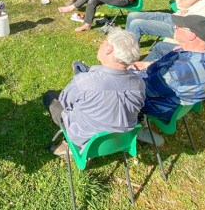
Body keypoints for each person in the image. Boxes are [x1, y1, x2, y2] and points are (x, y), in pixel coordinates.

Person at [43, 28, 145, 156]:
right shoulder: (139, 83)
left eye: (104, 41)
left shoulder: (85, 81)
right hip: (122, 139)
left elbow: (65, 102)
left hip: (85, 141)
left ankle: (68, 145)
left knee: (50, 96)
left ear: (109, 49)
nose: (101, 43)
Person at [129, 15, 205, 144]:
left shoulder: (178, 70)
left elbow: (144, 90)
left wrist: (123, 74)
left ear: (191, 35)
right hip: (177, 102)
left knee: (120, 89)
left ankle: (135, 129)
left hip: (161, 106)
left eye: (179, 27)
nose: (174, 28)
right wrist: (147, 65)